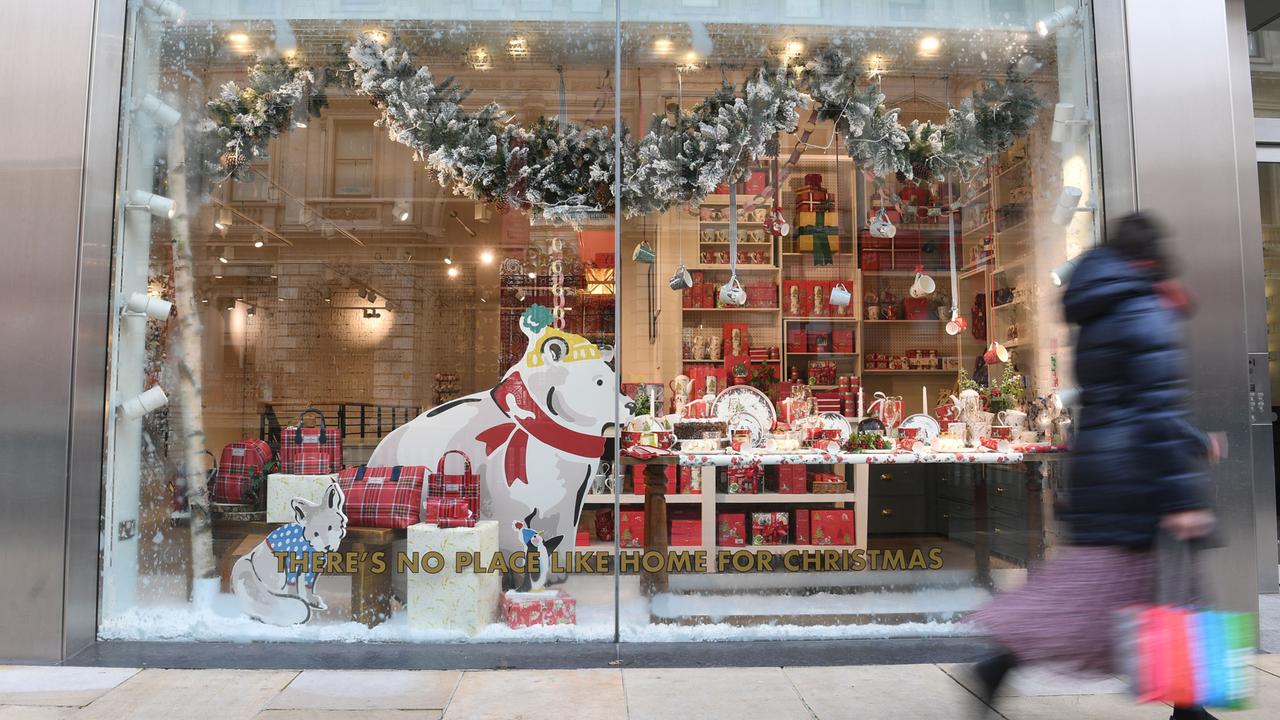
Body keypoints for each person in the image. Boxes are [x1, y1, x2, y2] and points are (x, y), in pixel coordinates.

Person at [968, 212, 1220, 720]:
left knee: (1141, 592)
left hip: (1111, 465)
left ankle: (1188, 707)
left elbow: (1125, 397)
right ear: (1153, 258)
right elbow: (1152, 403)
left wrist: (1191, 440)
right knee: (1119, 595)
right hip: (1135, 475)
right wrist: (1184, 498)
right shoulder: (1141, 308)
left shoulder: (1106, 307)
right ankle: (1000, 662)